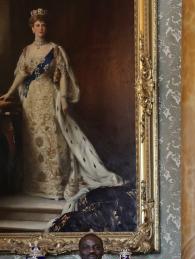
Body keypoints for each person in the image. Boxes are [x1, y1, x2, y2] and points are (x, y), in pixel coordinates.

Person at [0, 8, 122, 208]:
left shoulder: (55, 49)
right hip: (31, 101)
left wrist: (64, 98)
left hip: (50, 97)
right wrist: (10, 92)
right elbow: (21, 76)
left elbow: (63, 75)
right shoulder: (26, 51)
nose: (41, 28)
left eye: (44, 25)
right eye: (37, 25)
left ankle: (56, 185)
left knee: (54, 139)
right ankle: (37, 186)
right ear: (32, 28)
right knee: (33, 140)